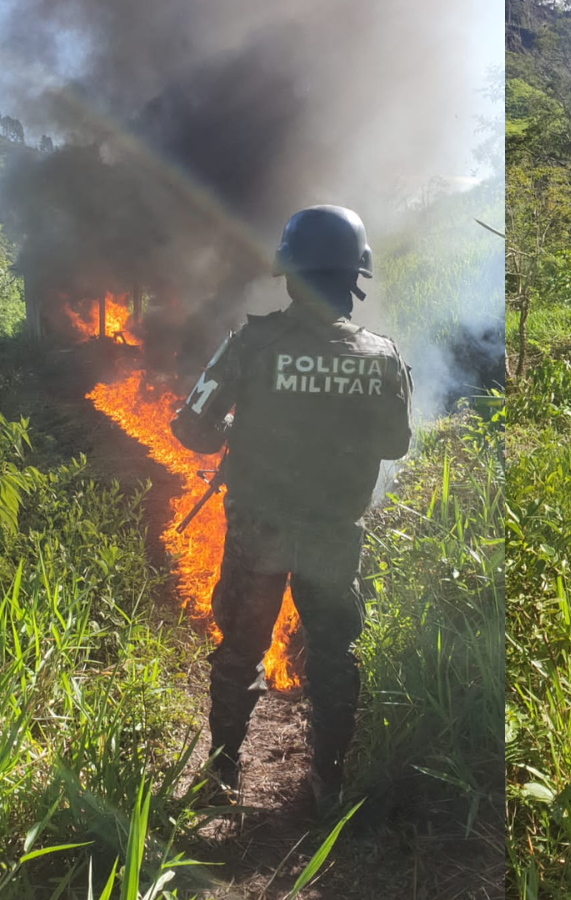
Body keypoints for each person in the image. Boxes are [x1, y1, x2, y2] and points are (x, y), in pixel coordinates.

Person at [169, 205, 413, 811]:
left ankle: (224, 772)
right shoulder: (382, 356)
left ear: (288, 273)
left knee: (241, 649)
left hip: (258, 532)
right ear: (356, 276)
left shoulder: (250, 344)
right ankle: (327, 783)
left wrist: (237, 422)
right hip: (334, 538)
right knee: (333, 658)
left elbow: (193, 430)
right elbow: (396, 443)